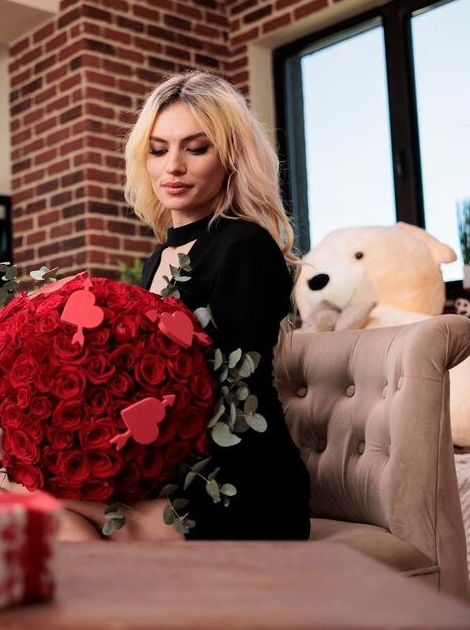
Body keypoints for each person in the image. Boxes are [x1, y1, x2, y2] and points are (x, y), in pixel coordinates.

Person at [50, 69, 312, 541]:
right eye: (158, 150)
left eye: (196, 148)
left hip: (241, 481)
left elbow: (226, 391)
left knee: (39, 500)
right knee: (25, 493)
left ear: (230, 158)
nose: (173, 166)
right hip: (177, 468)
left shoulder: (246, 247)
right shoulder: (159, 258)